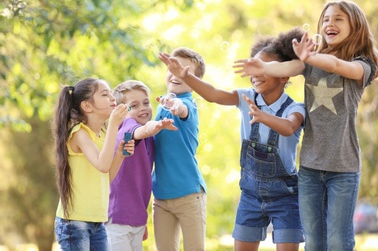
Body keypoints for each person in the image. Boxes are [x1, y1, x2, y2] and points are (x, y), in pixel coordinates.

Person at [233, 0, 378, 251]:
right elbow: (289, 66)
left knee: (338, 240)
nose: (329, 23)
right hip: (310, 169)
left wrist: (311, 57)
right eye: (325, 19)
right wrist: (264, 66)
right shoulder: (309, 63)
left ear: (355, 26)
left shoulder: (362, 65)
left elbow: (335, 65)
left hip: (343, 168)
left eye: (338, 19)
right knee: (313, 241)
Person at [159, 28, 306, 251]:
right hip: (250, 196)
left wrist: (262, 116)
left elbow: (289, 127)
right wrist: (185, 75)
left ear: (284, 75)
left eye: (263, 68)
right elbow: (213, 94)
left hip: (285, 197)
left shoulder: (295, 108)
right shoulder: (244, 97)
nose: (255, 74)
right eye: (253, 67)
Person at [52, 77, 135, 250]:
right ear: (87, 106)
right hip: (74, 223)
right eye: (105, 94)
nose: (112, 98)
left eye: (111, 93)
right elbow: (102, 165)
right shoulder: (79, 133)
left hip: (97, 222)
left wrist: (119, 154)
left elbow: (106, 175)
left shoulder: (103, 135)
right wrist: (113, 125)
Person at [106, 80, 178, 250]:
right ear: (121, 111)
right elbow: (141, 131)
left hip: (135, 217)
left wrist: (141, 220)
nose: (143, 108)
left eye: (146, 102)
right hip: (117, 217)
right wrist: (157, 126)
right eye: (134, 105)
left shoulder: (149, 138)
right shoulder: (127, 127)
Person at [153, 47, 207, 251]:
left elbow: (183, 110)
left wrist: (177, 107)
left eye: (185, 71)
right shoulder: (161, 105)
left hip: (189, 195)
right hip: (161, 196)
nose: (176, 74)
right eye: (172, 68)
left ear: (195, 81)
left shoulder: (187, 104)